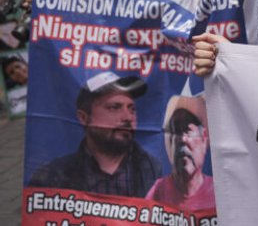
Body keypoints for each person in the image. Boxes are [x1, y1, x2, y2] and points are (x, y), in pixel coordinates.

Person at [28, 72, 161, 196]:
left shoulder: (155, 170)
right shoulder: (52, 177)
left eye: (132, 109)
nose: (127, 117)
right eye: (114, 107)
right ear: (84, 118)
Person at [146, 95, 215, 210]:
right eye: (176, 131)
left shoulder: (218, 191)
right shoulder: (159, 189)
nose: (182, 139)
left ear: (204, 138)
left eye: (189, 130)